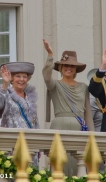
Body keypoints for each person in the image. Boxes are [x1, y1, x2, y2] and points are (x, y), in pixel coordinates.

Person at [42, 39, 94, 176]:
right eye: (65, 65)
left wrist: (93, 135)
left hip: (79, 126)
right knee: (59, 165)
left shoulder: (83, 87)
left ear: (76, 68)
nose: (68, 68)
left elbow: (87, 112)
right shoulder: (54, 85)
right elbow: (46, 77)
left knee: (78, 165)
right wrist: (50, 55)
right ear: (60, 67)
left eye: (72, 65)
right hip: (59, 124)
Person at [0, 61, 40, 167]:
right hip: (12, 144)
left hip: (30, 143)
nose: (22, 79)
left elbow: (35, 121)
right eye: (18, 76)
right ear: (12, 78)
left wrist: (37, 144)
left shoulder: (30, 96)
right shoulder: (5, 92)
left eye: (24, 76)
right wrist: (5, 84)